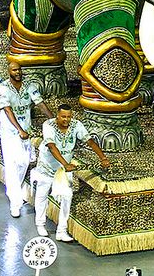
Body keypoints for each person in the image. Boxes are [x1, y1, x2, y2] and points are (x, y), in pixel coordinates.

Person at [33, 103, 109, 243]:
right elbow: (51, 146)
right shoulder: (48, 125)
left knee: (67, 196)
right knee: (42, 194)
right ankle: (40, 224)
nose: (66, 120)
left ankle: (61, 231)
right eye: (63, 116)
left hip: (63, 171)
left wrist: (102, 157)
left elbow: (90, 141)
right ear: (57, 115)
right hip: (47, 167)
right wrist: (65, 163)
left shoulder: (76, 125)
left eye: (68, 117)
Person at [0, 60, 43, 218]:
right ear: (9, 71)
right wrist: (19, 129)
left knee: (23, 162)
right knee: (11, 164)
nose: (18, 72)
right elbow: (7, 110)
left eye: (19, 69)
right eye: (14, 70)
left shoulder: (29, 85)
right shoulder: (3, 88)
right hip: (10, 132)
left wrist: (53, 120)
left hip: (25, 131)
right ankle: (15, 202)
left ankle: (12, 189)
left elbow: (40, 103)